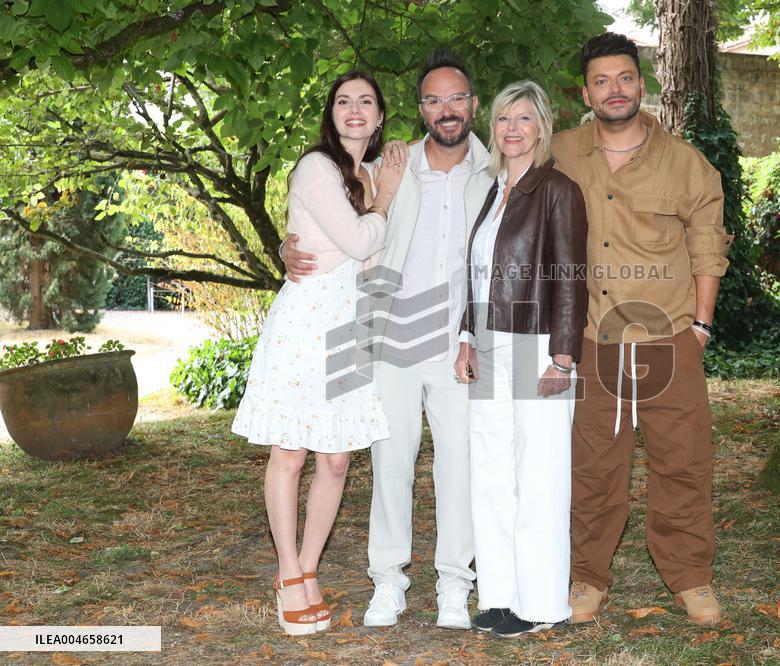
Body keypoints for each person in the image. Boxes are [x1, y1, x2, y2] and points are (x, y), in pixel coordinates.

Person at [280, 51, 494, 630]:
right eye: (433, 99)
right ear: (419, 109)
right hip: (389, 340)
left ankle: (455, 584)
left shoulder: (497, 172)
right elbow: (334, 219)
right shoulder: (390, 169)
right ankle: (389, 583)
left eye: (456, 98)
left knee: (459, 465)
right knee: (390, 464)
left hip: (458, 345)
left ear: (473, 104)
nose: (446, 109)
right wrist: (287, 245)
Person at [551, 33, 733, 626]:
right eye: (601, 81)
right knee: (594, 466)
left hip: (668, 338)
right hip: (592, 340)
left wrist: (700, 328)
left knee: (682, 462)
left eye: (625, 78)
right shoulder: (560, 153)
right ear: (586, 92)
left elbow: (709, 250)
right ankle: (587, 577)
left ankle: (690, 578)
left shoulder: (687, 165)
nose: (615, 90)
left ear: (641, 83)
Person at [231, 71, 406, 636]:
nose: (354, 110)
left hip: (349, 325)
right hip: (305, 324)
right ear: (331, 115)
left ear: (380, 117)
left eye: (366, 102)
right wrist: (381, 205)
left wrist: (359, 228)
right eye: (342, 101)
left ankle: (309, 570)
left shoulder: (374, 173)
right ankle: (287, 575)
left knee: (336, 459)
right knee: (292, 452)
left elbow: (368, 261)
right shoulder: (317, 168)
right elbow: (358, 242)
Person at [454, 81, 588, 638]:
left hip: (538, 346)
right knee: (490, 472)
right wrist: (465, 335)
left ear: (542, 129)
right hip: (488, 344)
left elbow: (570, 277)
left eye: (524, 118)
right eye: (504, 118)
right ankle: (502, 598)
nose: (512, 128)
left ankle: (540, 603)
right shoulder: (492, 191)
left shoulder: (558, 189)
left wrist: (563, 356)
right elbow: (477, 271)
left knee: (539, 474)